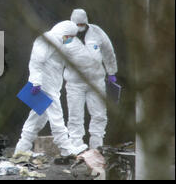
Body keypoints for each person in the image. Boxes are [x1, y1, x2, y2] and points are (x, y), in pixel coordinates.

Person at [14, 20, 88, 157]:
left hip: (51, 85)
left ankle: (21, 148)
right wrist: (36, 82)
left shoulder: (59, 43)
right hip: (44, 85)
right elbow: (36, 61)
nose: (70, 40)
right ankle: (66, 148)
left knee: (37, 118)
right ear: (65, 33)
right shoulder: (48, 39)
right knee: (56, 116)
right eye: (70, 37)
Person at [63, 8, 118, 149]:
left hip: (96, 81)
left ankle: (97, 147)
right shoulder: (65, 34)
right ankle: (76, 147)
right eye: (77, 24)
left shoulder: (97, 32)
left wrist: (111, 71)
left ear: (86, 22)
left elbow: (108, 51)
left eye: (81, 24)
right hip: (75, 83)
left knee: (99, 114)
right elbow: (55, 56)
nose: (79, 27)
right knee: (75, 116)